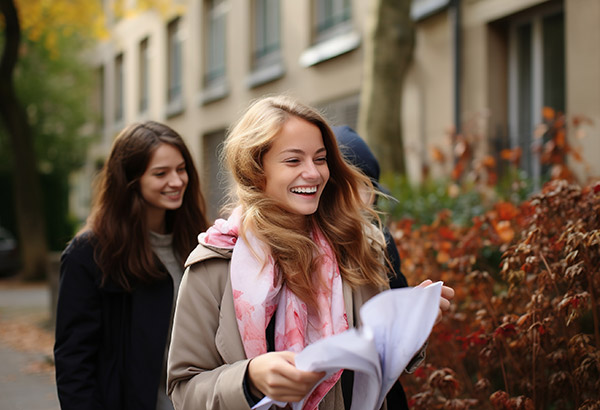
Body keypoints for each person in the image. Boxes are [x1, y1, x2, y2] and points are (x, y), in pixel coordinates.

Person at [167, 95, 454, 410]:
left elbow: (377, 360)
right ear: (255, 169)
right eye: (293, 160)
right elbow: (183, 389)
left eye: (320, 159)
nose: (314, 173)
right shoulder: (214, 264)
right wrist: (248, 379)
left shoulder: (357, 244)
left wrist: (411, 323)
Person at [54, 121, 209, 410]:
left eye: (181, 169)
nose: (176, 181)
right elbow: (74, 364)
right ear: (130, 180)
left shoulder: (203, 243)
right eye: (160, 173)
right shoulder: (89, 255)